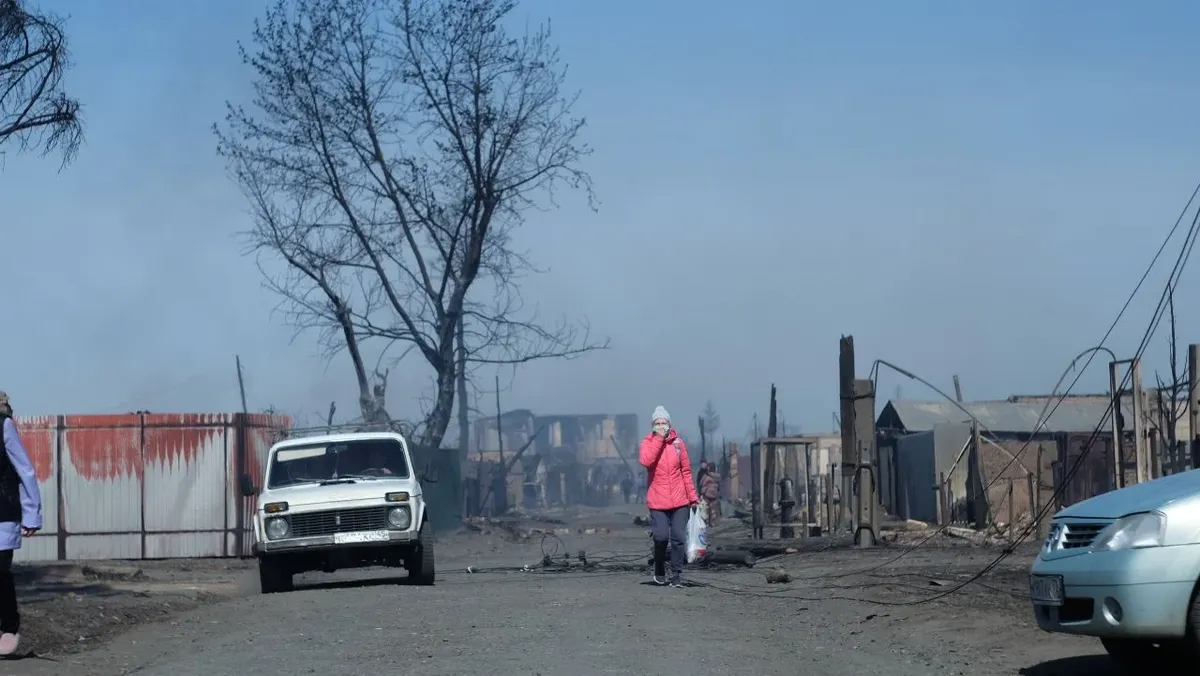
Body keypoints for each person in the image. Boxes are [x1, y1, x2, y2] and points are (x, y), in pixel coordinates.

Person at [0, 392, 41, 656]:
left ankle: (9, 627)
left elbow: (24, 469)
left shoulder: (3, 425)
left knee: (0, 571)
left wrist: (32, 513)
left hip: (3, 512)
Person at [638, 406, 698, 588]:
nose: (661, 426)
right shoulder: (647, 443)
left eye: (664, 423)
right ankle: (659, 566)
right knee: (661, 537)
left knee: (679, 537)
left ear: (670, 424)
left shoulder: (678, 444)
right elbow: (646, 461)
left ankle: (677, 574)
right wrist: (658, 440)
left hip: (680, 500)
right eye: (657, 423)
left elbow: (686, 472)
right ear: (652, 426)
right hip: (658, 501)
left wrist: (693, 497)